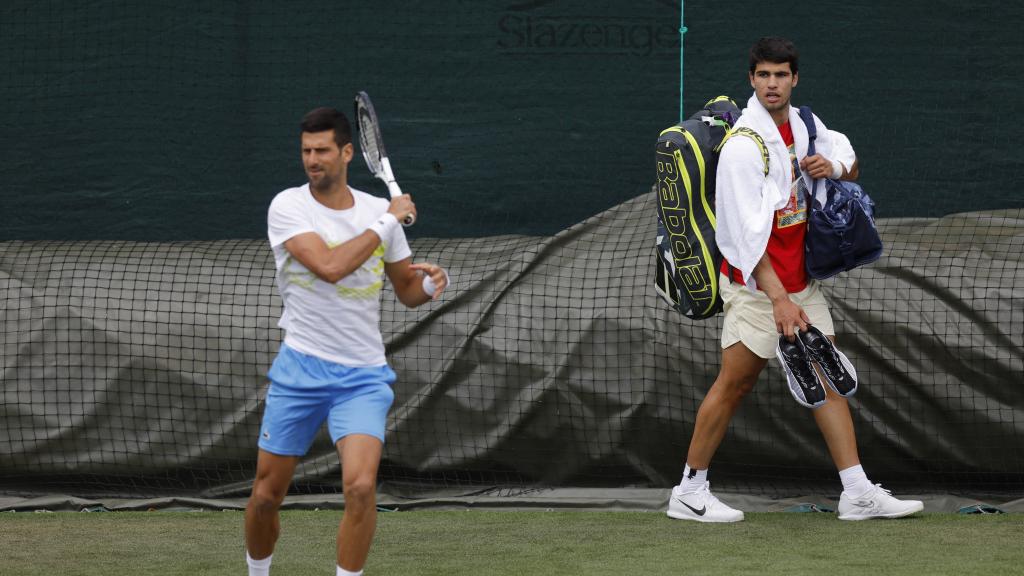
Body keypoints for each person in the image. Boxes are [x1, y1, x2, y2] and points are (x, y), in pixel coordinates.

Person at [667, 37, 923, 523]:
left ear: (794, 79)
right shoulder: (744, 146)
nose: (772, 84)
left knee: (825, 373)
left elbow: (849, 159)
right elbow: (743, 239)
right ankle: (689, 490)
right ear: (751, 80)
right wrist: (780, 301)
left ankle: (857, 493)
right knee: (735, 383)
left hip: (801, 281)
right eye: (763, 75)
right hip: (757, 286)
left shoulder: (805, 125)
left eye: (781, 75)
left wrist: (835, 166)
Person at [245, 106, 449, 575]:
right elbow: (331, 268)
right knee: (264, 496)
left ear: (347, 152)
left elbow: (407, 292)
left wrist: (436, 283)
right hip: (300, 371)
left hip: (362, 377)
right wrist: (387, 222)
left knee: (360, 488)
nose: (312, 160)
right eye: (305, 151)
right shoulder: (288, 206)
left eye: (321, 150)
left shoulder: (380, 212)